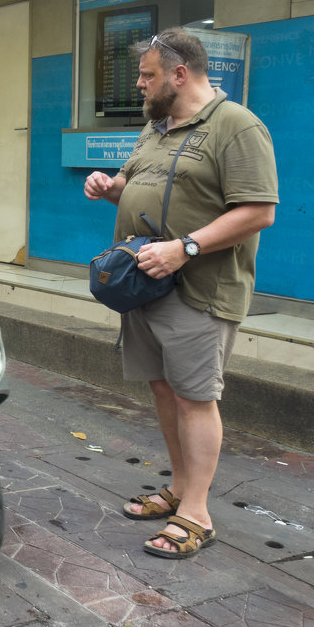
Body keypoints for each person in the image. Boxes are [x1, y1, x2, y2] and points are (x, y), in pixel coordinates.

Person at [83, 28, 277, 559]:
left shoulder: (237, 126)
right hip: (144, 282)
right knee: (164, 391)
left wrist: (185, 249)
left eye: (146, 75)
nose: (140, 86)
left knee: (195, 398)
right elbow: (136, 183)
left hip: (199, 288)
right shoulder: (156, 128)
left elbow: (259, 211)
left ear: (179, 73)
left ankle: (197, 512)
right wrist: (109, 187)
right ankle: (179, 489)